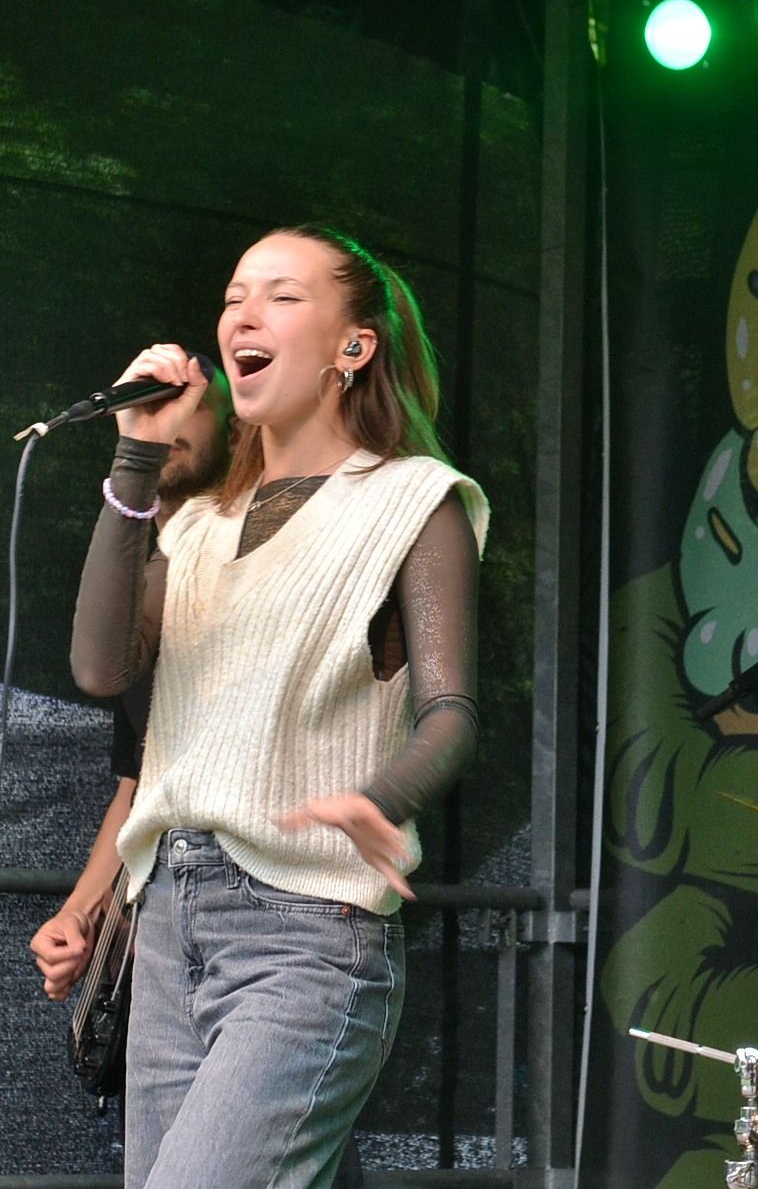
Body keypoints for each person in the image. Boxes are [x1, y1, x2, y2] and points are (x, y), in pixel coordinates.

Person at [70, 226, 486, 1189]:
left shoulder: (415, 502)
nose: (243, 315)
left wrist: (383, 797)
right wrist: (135, 463)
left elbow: (453, 708)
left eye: (282, 296)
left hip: (309, 934)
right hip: (170, 919)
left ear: (355, 345)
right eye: (232, 296)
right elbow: (99, 667)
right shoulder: (199, 523)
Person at [31, 363, 233, 1007]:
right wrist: (83, 913)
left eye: (192, 400)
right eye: (158, 397)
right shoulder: (135, 569)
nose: (172, 414)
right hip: (167, 919)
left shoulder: (241, 556)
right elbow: (142, 776)